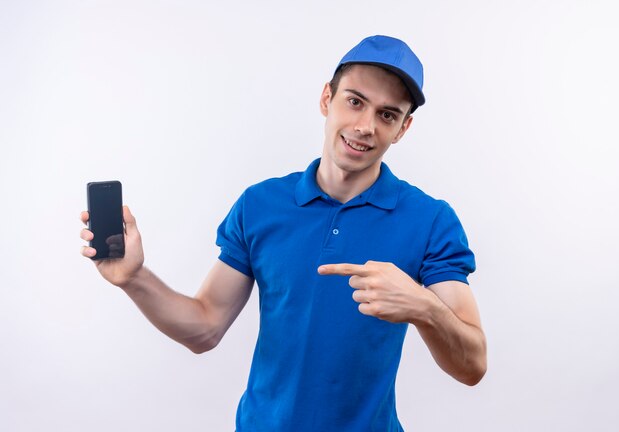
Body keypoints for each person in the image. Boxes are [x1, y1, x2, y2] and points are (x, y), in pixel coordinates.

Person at [80, 35, 487, 431]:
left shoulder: (430, 220)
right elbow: (204, 327)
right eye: (355, 102)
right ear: (327, 98)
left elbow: (473, 366)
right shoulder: (260, 205)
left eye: (387, 114)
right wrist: (134, 279)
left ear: (402, 128)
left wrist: (424, 307)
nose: (365, 126)